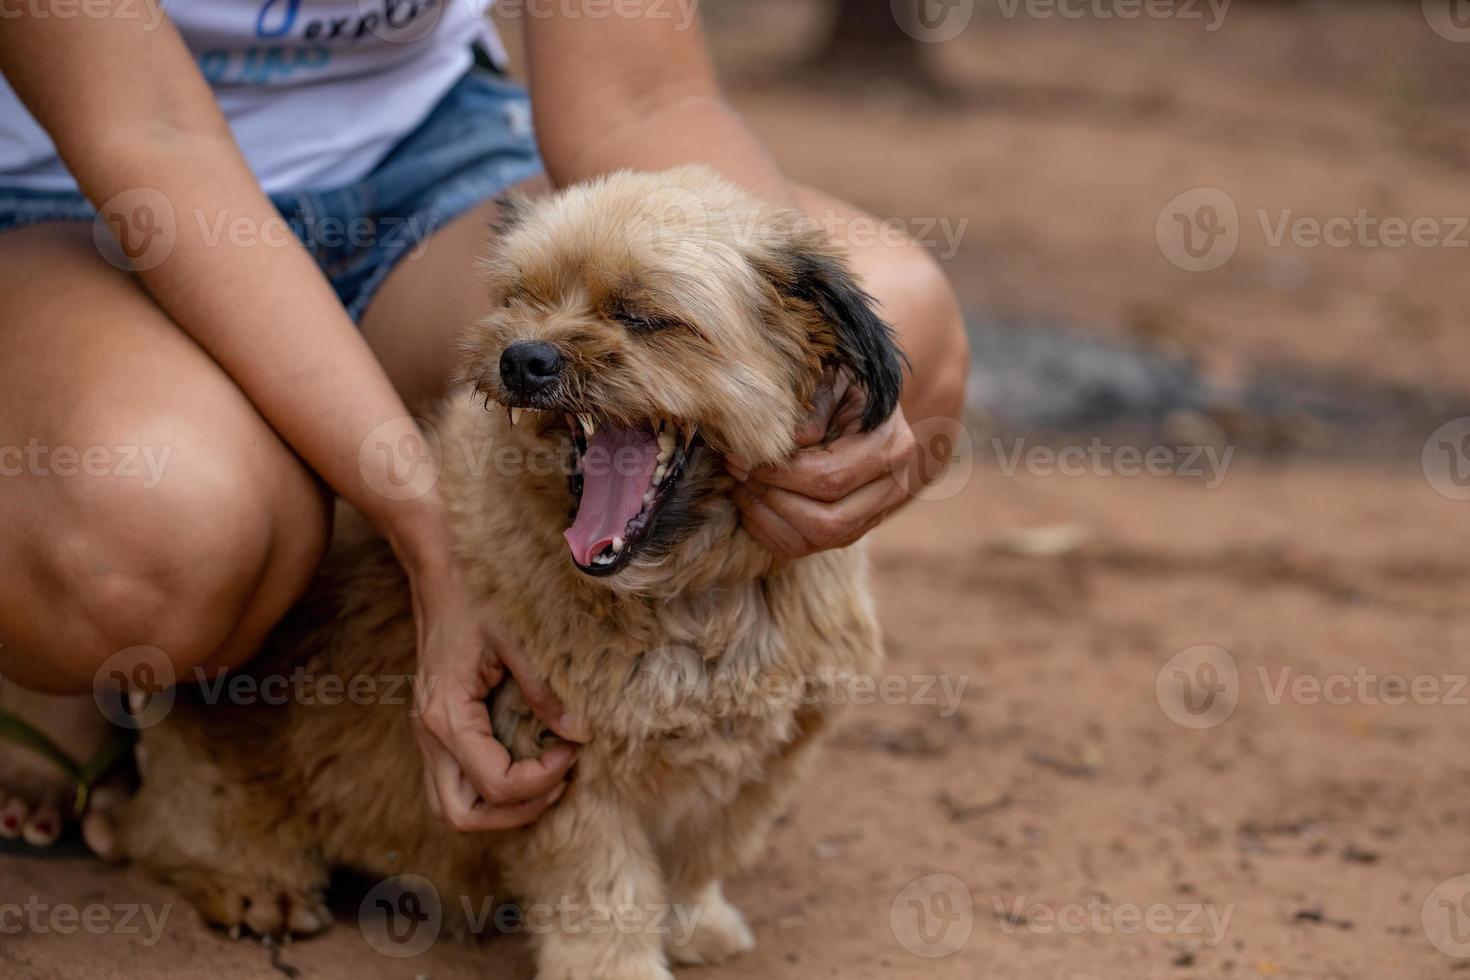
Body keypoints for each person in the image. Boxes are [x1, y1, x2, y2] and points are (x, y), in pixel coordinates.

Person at [0, 0, 969, 849]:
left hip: (422, 160)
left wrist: (779, 337)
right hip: (83, 189)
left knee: (893, 333)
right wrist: (433, 535)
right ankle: (83, 661)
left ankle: (659, 712)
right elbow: (156, 138)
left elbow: (641, 101)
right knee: (146, 538)